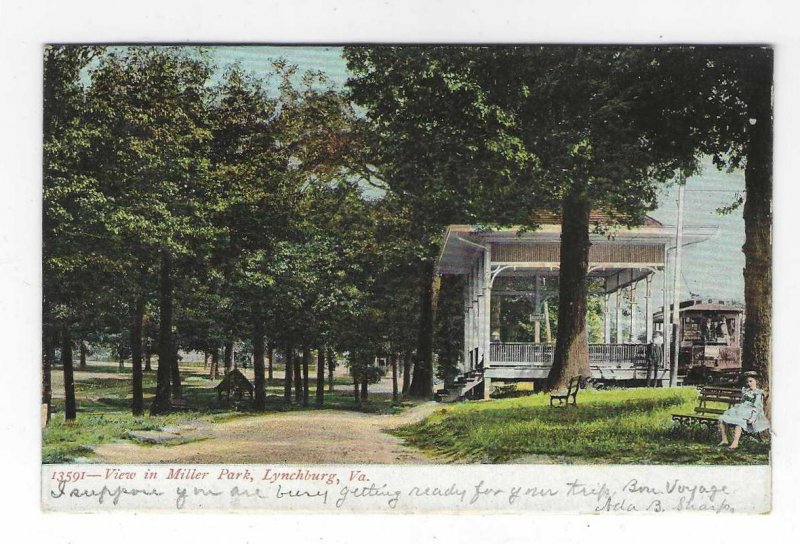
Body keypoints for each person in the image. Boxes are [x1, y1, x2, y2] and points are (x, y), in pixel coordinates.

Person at [718, 372, 770, 450]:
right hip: (741, 410)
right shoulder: (746, 391)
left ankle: (735, 443)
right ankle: (724, 439)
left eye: (751, 381)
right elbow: (742, 402)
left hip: (750, 411)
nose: (748, 383)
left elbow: (757, 407)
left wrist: (752, 417)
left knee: (739, 422)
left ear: (756, 381)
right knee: (721, 418)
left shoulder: (758, 393)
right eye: (747, 382)